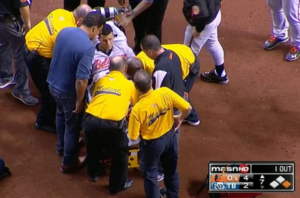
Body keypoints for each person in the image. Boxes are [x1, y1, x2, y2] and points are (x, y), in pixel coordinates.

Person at [47, 11, 105, 173]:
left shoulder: (65, 31)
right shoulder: (87, 47)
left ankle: (61, 147)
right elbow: (81, 79)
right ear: (94, 28)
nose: (98, 35)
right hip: (67, 91)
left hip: (52, 84)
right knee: (72, 126)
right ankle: (69, 162)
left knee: (60, 115)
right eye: (99, 31)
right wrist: (80, 100)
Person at [24, 4, 92, 134]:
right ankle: (43, 122)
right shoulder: (68, 30)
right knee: (49, 91)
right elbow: (59, 56)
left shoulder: (60, 12)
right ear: (81, 21)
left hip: (28, 47)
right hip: (37, 58)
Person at [128, 70, 192, 198]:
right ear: (151, 82)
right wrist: (179, 118)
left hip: (152, 145)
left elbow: (133, 137)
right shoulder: (165, 92)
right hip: (170, 137)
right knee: (171, 170)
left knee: (150, 175)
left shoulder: (137, 109)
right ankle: (172, 196)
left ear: (135, 87)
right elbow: (188, 108)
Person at [140, 35, 195, 181]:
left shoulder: (159, 70)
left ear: (150, 51)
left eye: (145, 52)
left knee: (165, 136)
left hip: (171, 107)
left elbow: (157, 97)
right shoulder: (172, 53)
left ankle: (161, 170)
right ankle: (169, 164)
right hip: (179, 96)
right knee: (174, 134)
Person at [83, 56, 137, 195]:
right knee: (120, 156)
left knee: (93, 147)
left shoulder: (100, 80)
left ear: (109, 68)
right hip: (112, 127)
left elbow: (96, 97)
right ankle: (116, 186)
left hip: (90, 121)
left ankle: (94, 174)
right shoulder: (129, 85)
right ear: (125, 69)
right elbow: (137, 106)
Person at [126, 43, 200, 126]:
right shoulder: (137, 60)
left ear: (140, 70)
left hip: (189, 62)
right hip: (177, 57)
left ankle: (192, 117)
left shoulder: (155, 68)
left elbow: (159, 94)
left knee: (178, 92)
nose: (132, 79)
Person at [0, 0, 38, 105]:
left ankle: (5, 77)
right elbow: (23, 5)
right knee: (21, 54)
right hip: (11, 21)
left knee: (3, 44)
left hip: (2, 18)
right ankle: (22, 91)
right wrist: (27, 23)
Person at [182, 0, 229, 85]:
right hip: (214, 14)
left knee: (188, 52)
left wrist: (198, 29)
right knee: (212, 43)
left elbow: (202, 15)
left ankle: (182, 83)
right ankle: (220, 73)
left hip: (203, 22)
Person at [86, 23, 135, 103]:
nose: (108, 43)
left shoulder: (122, 48)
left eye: (110, 39)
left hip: (122, 87)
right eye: (104, 40)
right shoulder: (91, 54)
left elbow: (136, 63)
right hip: (101, 92)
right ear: (98, 39)